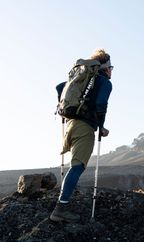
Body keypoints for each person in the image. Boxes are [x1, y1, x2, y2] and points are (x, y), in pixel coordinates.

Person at [50, 49, 113, 222]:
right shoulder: (104, 83)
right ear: (105, 67)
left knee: (74, 166)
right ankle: (60, 209)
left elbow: (59, 87)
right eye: (111, 67)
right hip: (85, 128)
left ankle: (62, 202)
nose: (112, 71)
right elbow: (101, 103)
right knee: (77, 167)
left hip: (71, 125)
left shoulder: (81, 80)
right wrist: (101, 126)